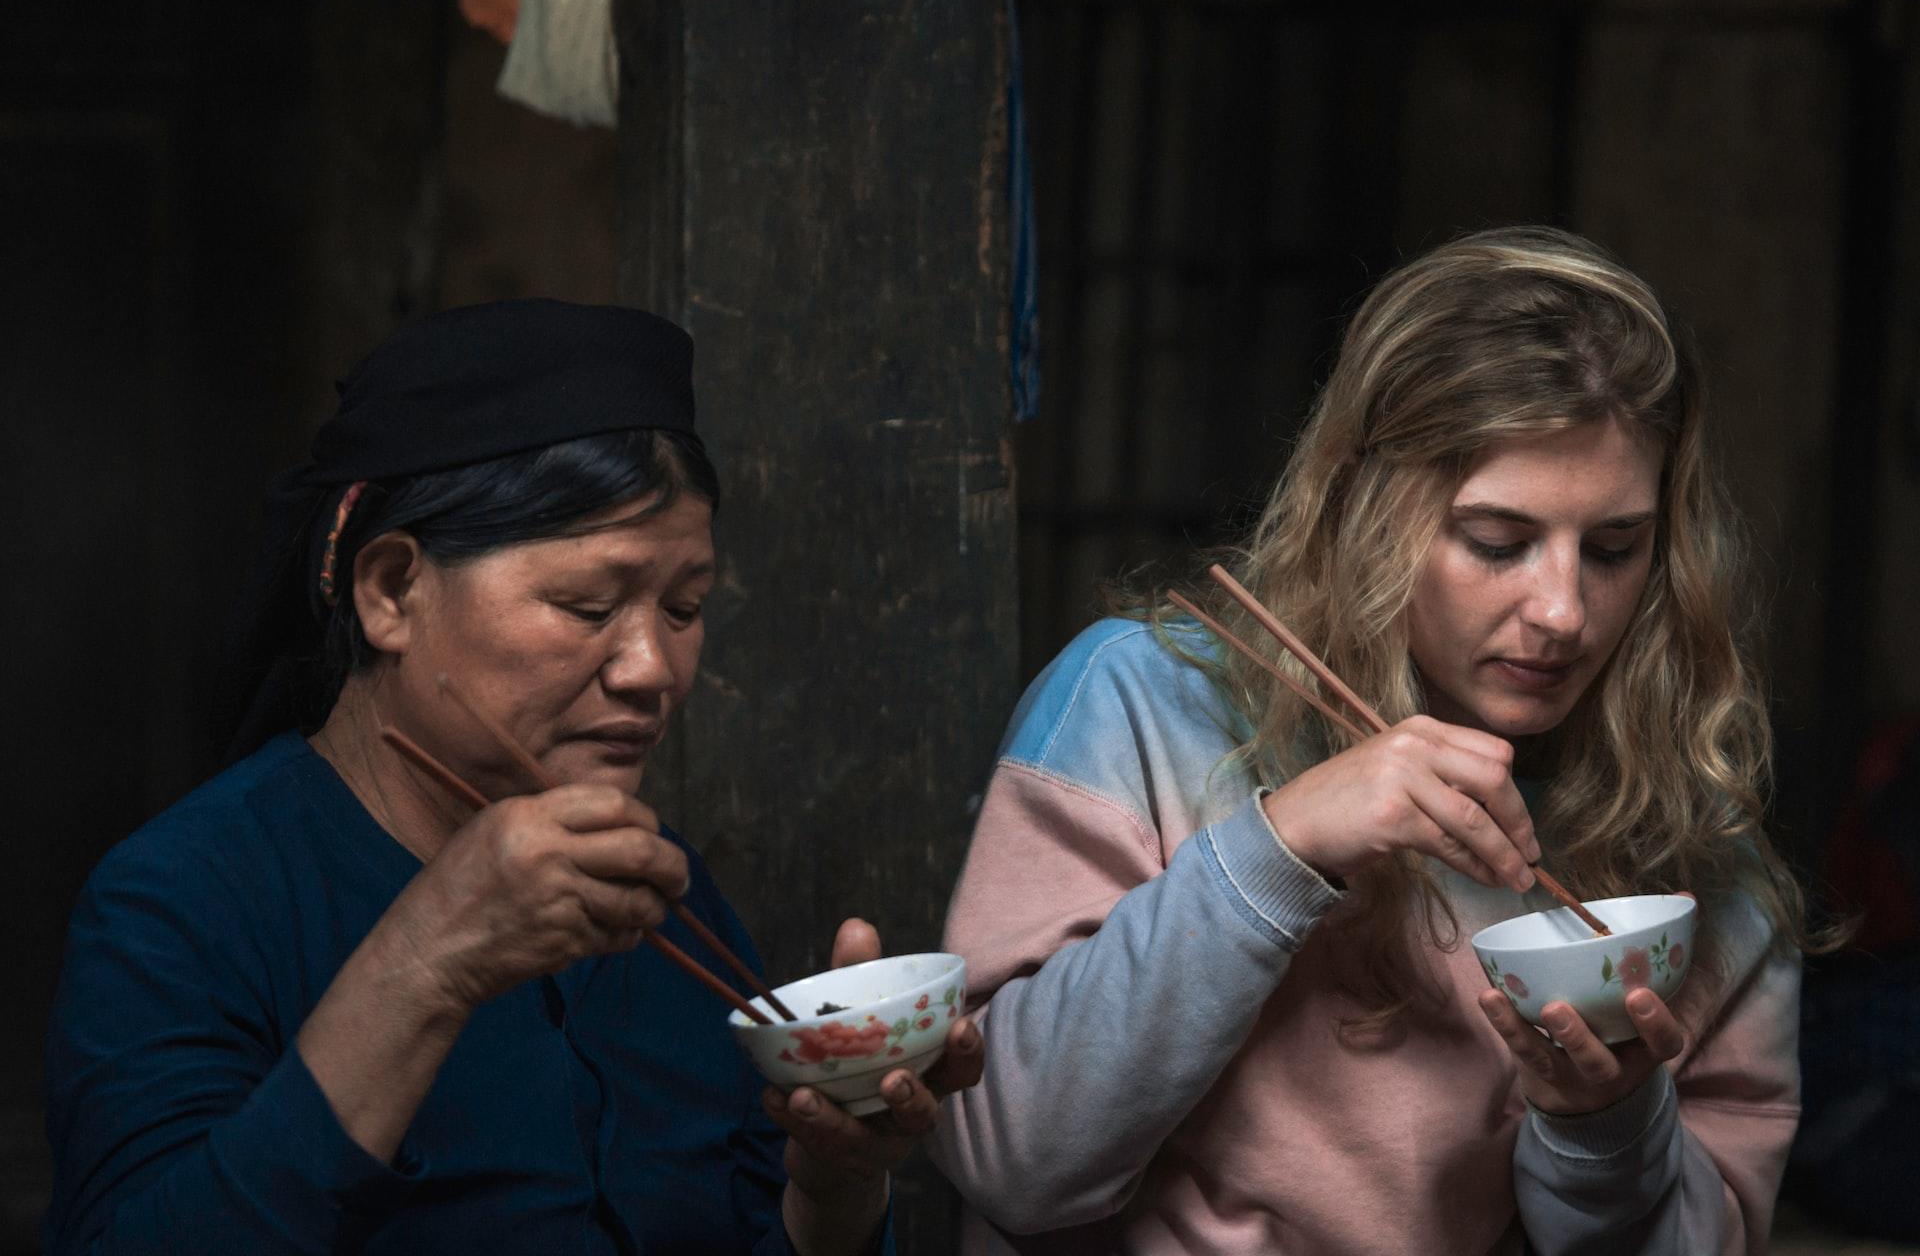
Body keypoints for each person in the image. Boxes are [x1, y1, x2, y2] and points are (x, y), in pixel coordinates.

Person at [929, 227, 1814, 1254]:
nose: (1565, 609)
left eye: (1615, 547)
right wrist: (1280, 844)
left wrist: (1603, 1126)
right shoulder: (1145, 703)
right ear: (1367, 506)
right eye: (1499, 541)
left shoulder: (1693, 841)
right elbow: (1005, 1159)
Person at [43, 299, 981, 1254]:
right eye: (586, 606)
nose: (652, 668)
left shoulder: (661, 890)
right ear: (392, 591)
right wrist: (427, 963)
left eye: (686, 608)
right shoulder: (184, 903)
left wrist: (833, 1194)